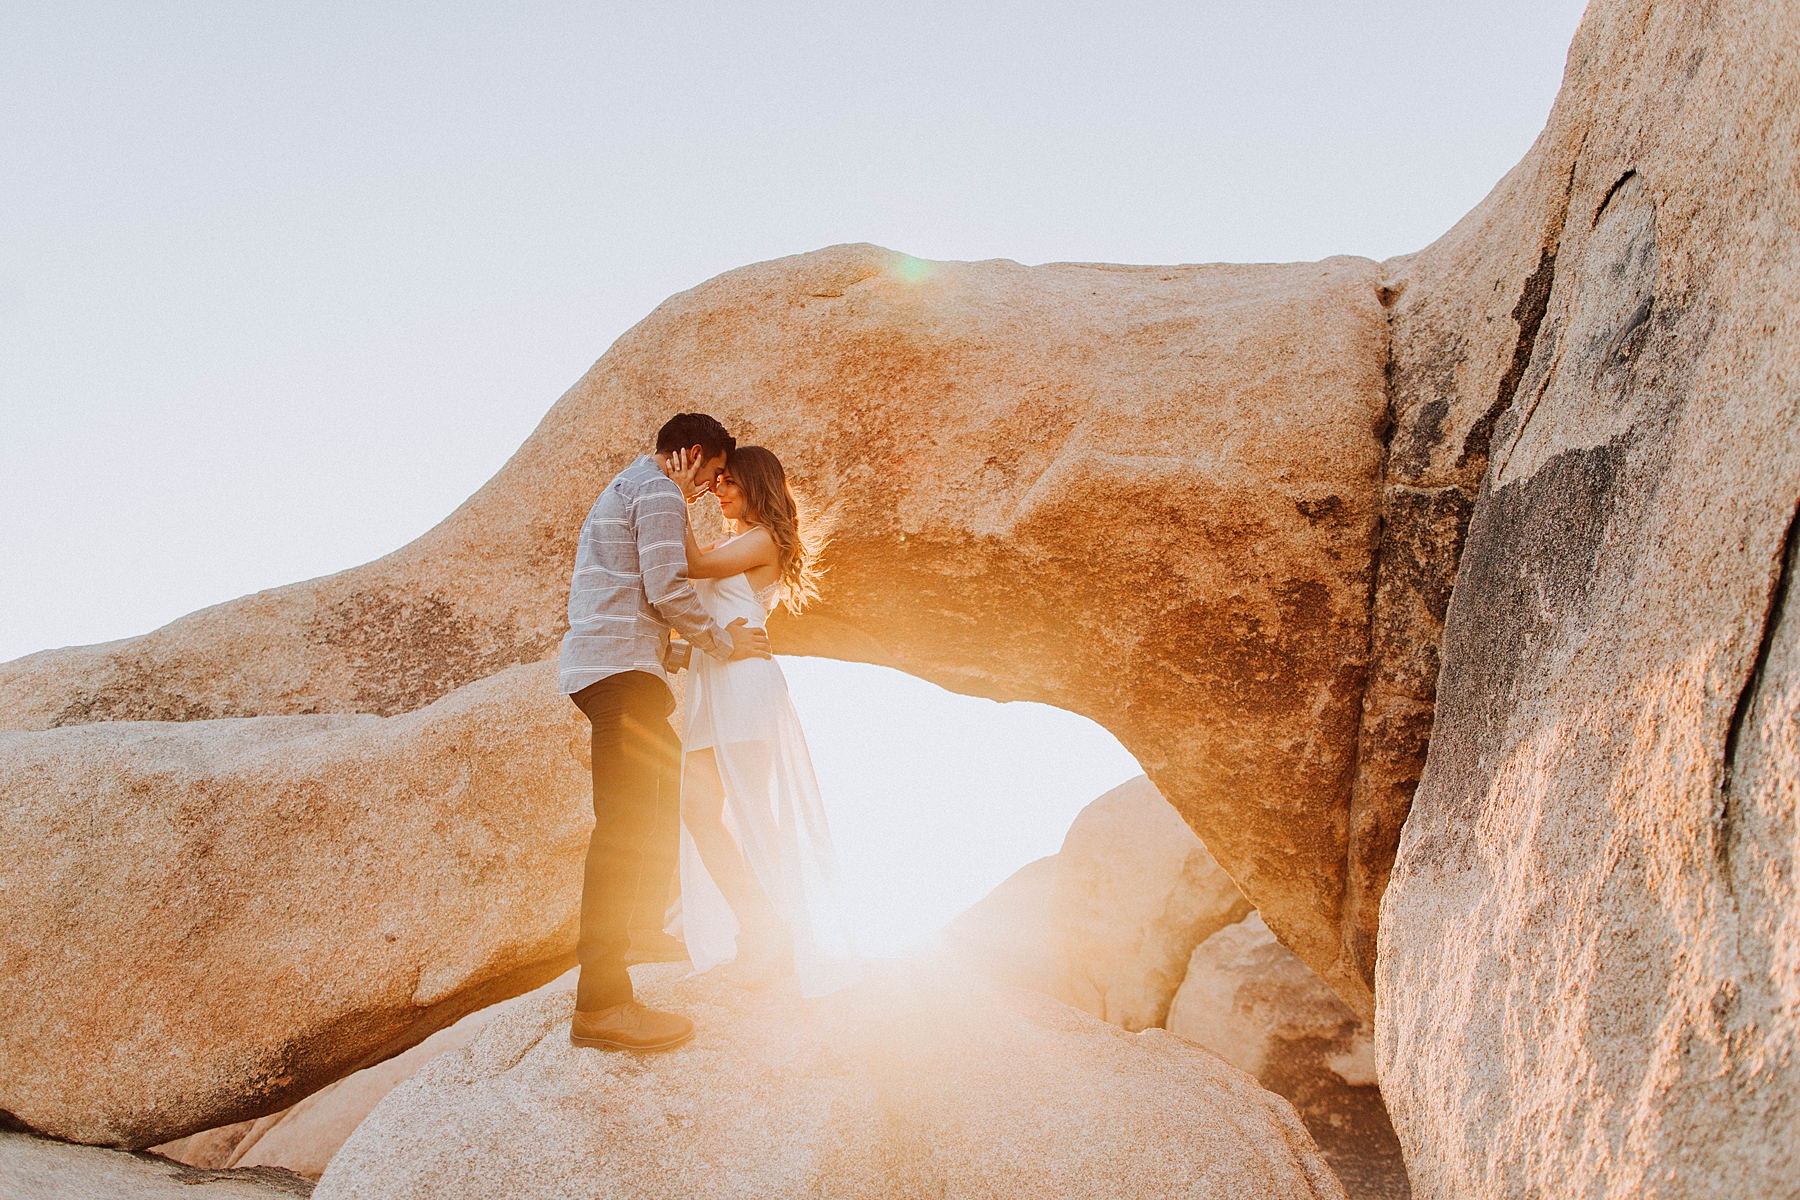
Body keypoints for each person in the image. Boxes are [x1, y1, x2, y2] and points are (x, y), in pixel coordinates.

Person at [559, 412, 771, 1053]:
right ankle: (601, 1003)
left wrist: (677, 654)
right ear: (694, 454)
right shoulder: (658, 492)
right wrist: (720, 643)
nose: (709, 489)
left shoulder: (631, 486)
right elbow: (668, 588)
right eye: (713, 473)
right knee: (622, 828)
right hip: (619, 675)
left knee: (666, 804)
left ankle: (644, 931)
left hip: (619, 667)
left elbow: (628, 595)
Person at [670, 444, 857, 997]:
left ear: (756, 486)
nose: (718, 491)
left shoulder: (764, 540)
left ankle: (774, 934)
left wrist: (676, 494)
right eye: (717, 481)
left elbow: (690, 564)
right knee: (698, 811)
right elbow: (690, 582)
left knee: (751, 814)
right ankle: (764, 927)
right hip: (715, 682)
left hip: (745, 688)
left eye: (728, 481)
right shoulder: (733, 541)